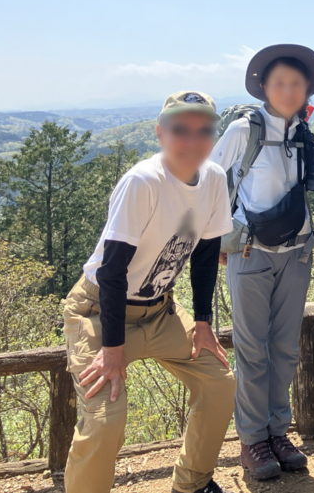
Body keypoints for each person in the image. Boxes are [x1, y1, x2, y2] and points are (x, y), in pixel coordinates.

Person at [62, 92, 235, 493]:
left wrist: (203, 323)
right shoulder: (144, 182)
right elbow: (112, 271)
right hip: (100, 311)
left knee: (219, 383)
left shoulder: (214, 178)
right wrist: (113, 348)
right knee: (105, 421)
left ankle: (192, 484)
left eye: (203, 131)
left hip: (160, 311)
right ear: (161, 133)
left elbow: (206, 255)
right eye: (180, 129)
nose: (192, 140)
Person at [211, 44, 314, 479]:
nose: (288, 90)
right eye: (280, 82)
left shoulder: (302, 131)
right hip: (250, 250)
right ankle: (253, 439)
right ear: (264, 87)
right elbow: (209, 179)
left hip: (297, 252)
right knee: (253, 349)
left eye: (296, 83)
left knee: (285, 348)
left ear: (306, 88)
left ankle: (278, 431)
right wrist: (213, 242)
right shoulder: (245, 129)